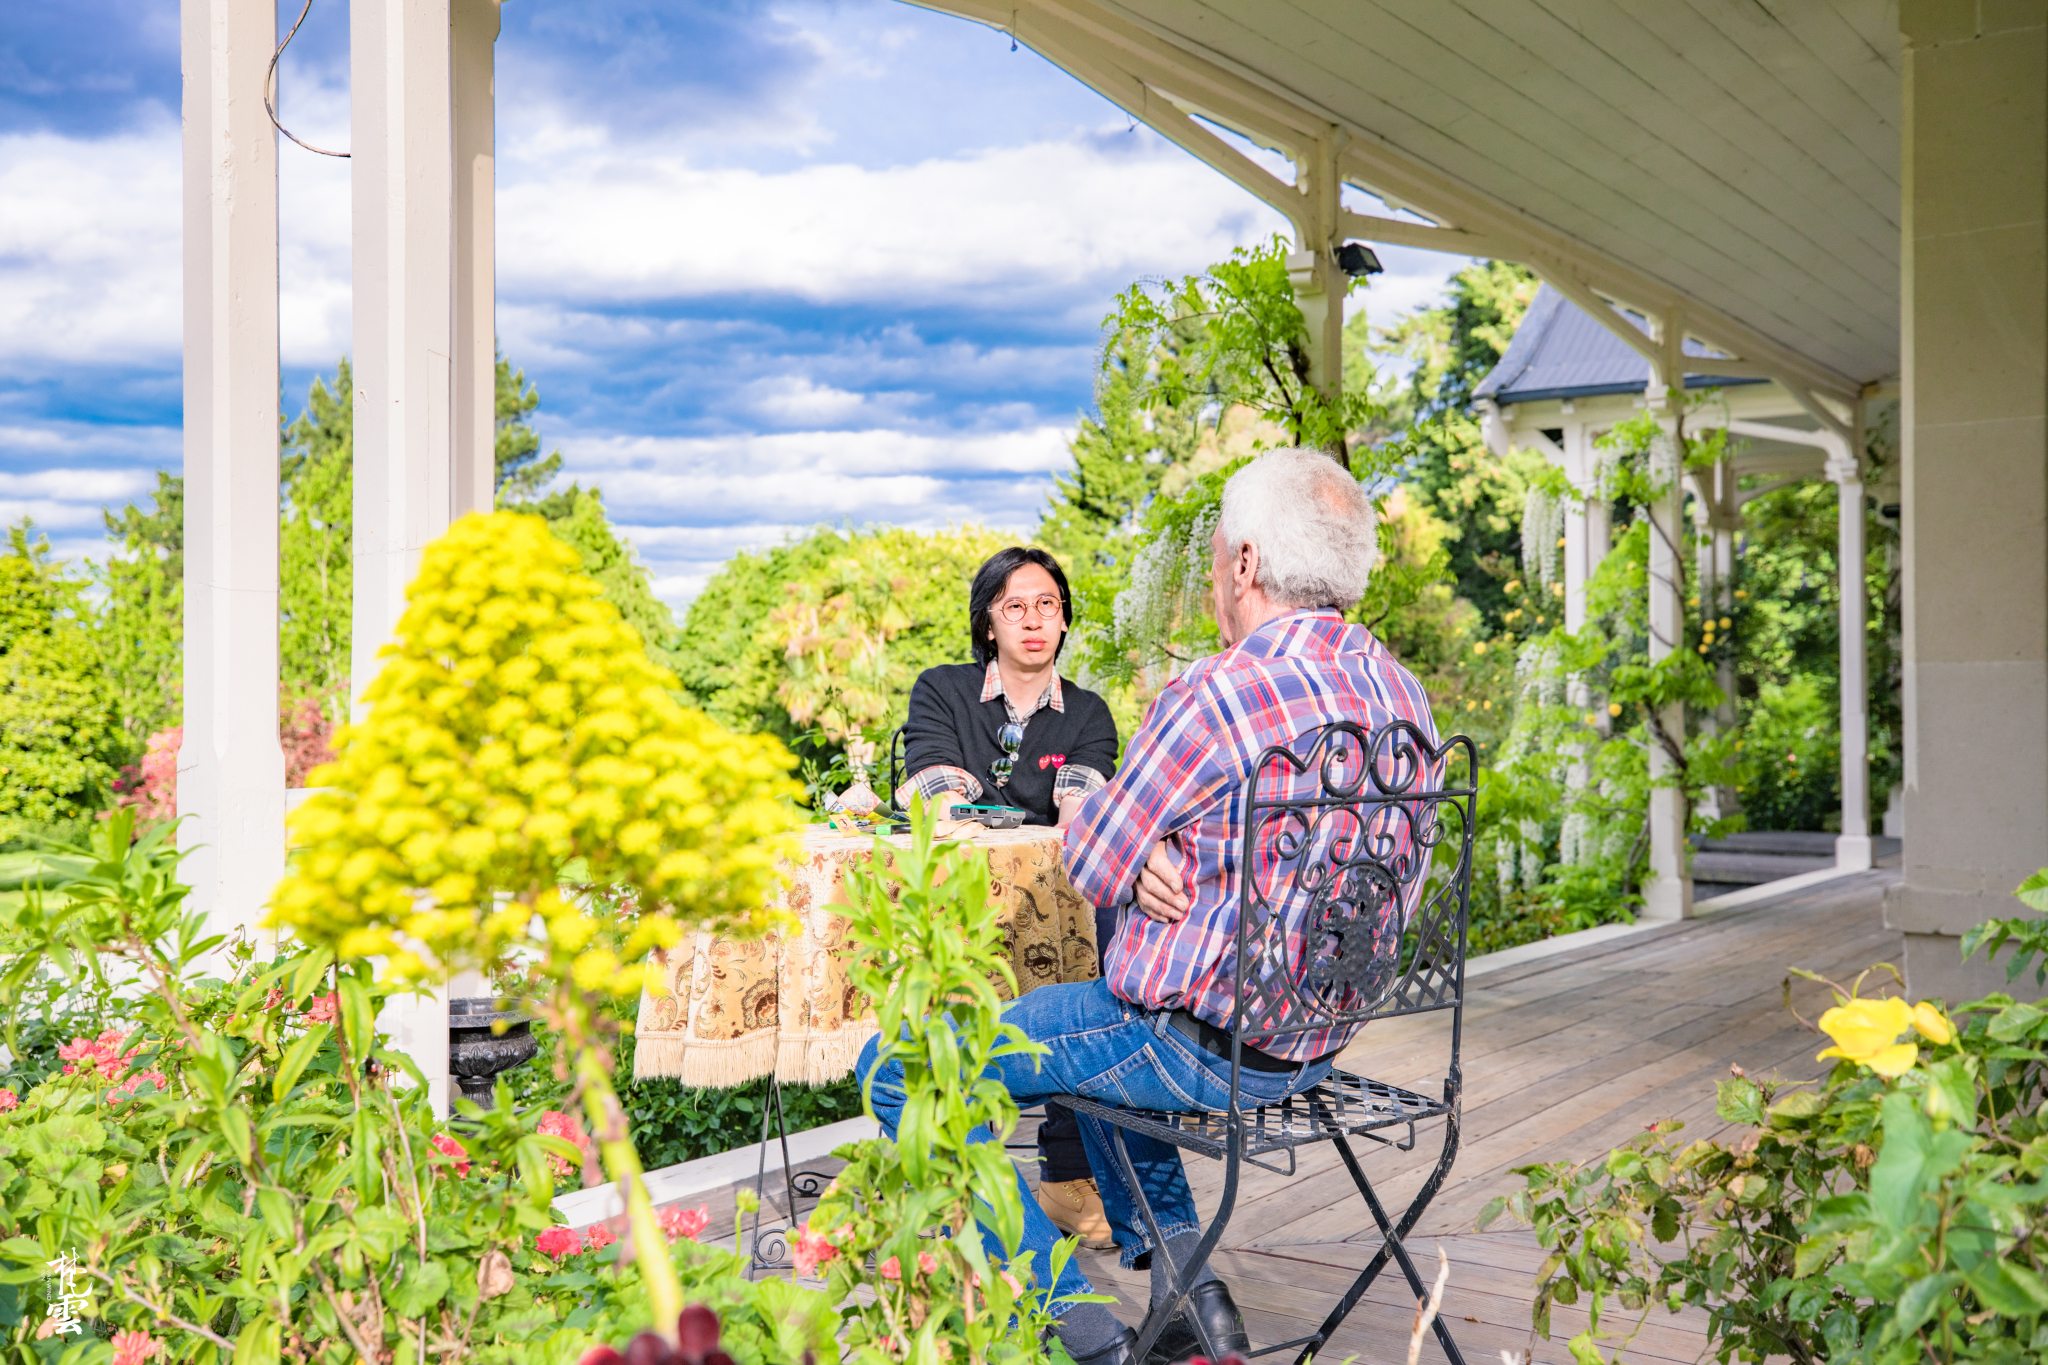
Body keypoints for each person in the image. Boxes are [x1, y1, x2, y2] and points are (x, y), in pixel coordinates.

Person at [858, 450, 1440, 1365]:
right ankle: (1193, 1298)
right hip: (1321, 1037)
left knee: (897, 1069)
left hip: (1200, 1045)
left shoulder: (1220, 692)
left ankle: (1086, 1332)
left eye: (1216, 554)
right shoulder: (1404, 695)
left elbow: (1089, 853)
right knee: (1096, 1026)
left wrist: (1139, 851)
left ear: (1243, 564)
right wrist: (1161, 852)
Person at [895, 545, 1123, 1249]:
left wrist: (995, 804)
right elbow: (934, 788)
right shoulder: (942, 689)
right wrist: (992, 807)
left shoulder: (1087, 712)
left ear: (1063, 621)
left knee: (1095, 955)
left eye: (1047, 605)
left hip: (1055, 902)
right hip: (955, 898)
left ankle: (1068, 1170)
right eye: (1014, 605)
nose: (1033, 620)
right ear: (988, 623)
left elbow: (1081, 809)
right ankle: (952, 1162)